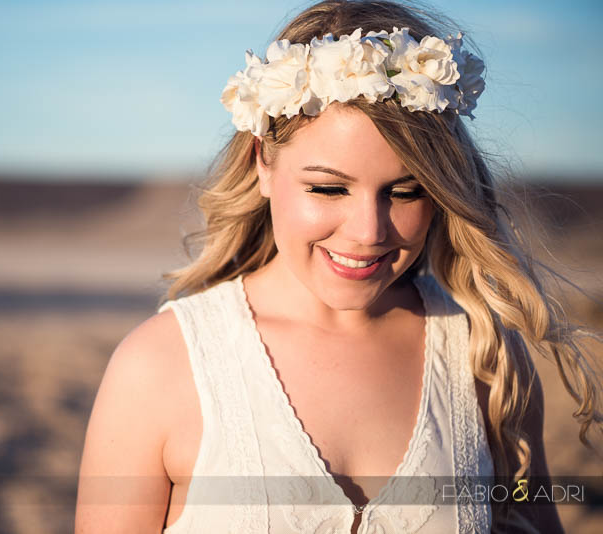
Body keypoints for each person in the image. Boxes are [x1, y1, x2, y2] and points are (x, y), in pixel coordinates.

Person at [75, 1, 602, 533]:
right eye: (328, 188)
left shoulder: (487, 359)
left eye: (405, 191)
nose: (369, 231)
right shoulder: (159, 366)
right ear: (263, 162)